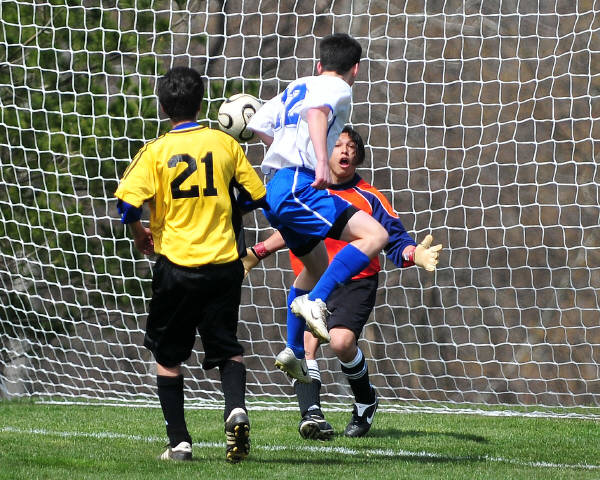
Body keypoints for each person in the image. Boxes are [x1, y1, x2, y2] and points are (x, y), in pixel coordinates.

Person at [243, 126, 442, 439]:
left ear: (358, 156)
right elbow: (291, 227)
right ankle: (312, 415)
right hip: (316, 280)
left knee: (341, 343)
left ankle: (366, 400)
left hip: (355, 282)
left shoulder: (368, 196)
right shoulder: (306, 188)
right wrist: (259, 251)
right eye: (336, 145)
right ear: (321, 151)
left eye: (351, 146)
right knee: (305, 346)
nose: (345, 151)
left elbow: (394, 238)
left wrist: (414, 253)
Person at [114, 67, 267, 463]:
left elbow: (126, 205)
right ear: (201, 104)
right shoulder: (224, 143)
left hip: (177, 267)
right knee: (227, 346)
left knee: (167, 357)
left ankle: (180, 442)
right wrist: (226, 210)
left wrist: (140, 233)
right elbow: (256, 195)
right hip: (223, 265)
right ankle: (236, 409)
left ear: (163, 107)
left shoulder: (155, 151)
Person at [247, 33, 392, 384]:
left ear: (318, 64)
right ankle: (318, 302)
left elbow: (257, 124)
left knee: (314, 268)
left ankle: (293, 349)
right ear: (355, 69)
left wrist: (283, 153)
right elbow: (315, 113)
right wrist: (320, 164)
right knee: (376, 236)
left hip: (276, 187)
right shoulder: (338, 87)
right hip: (300, 184)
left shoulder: (297, 84)